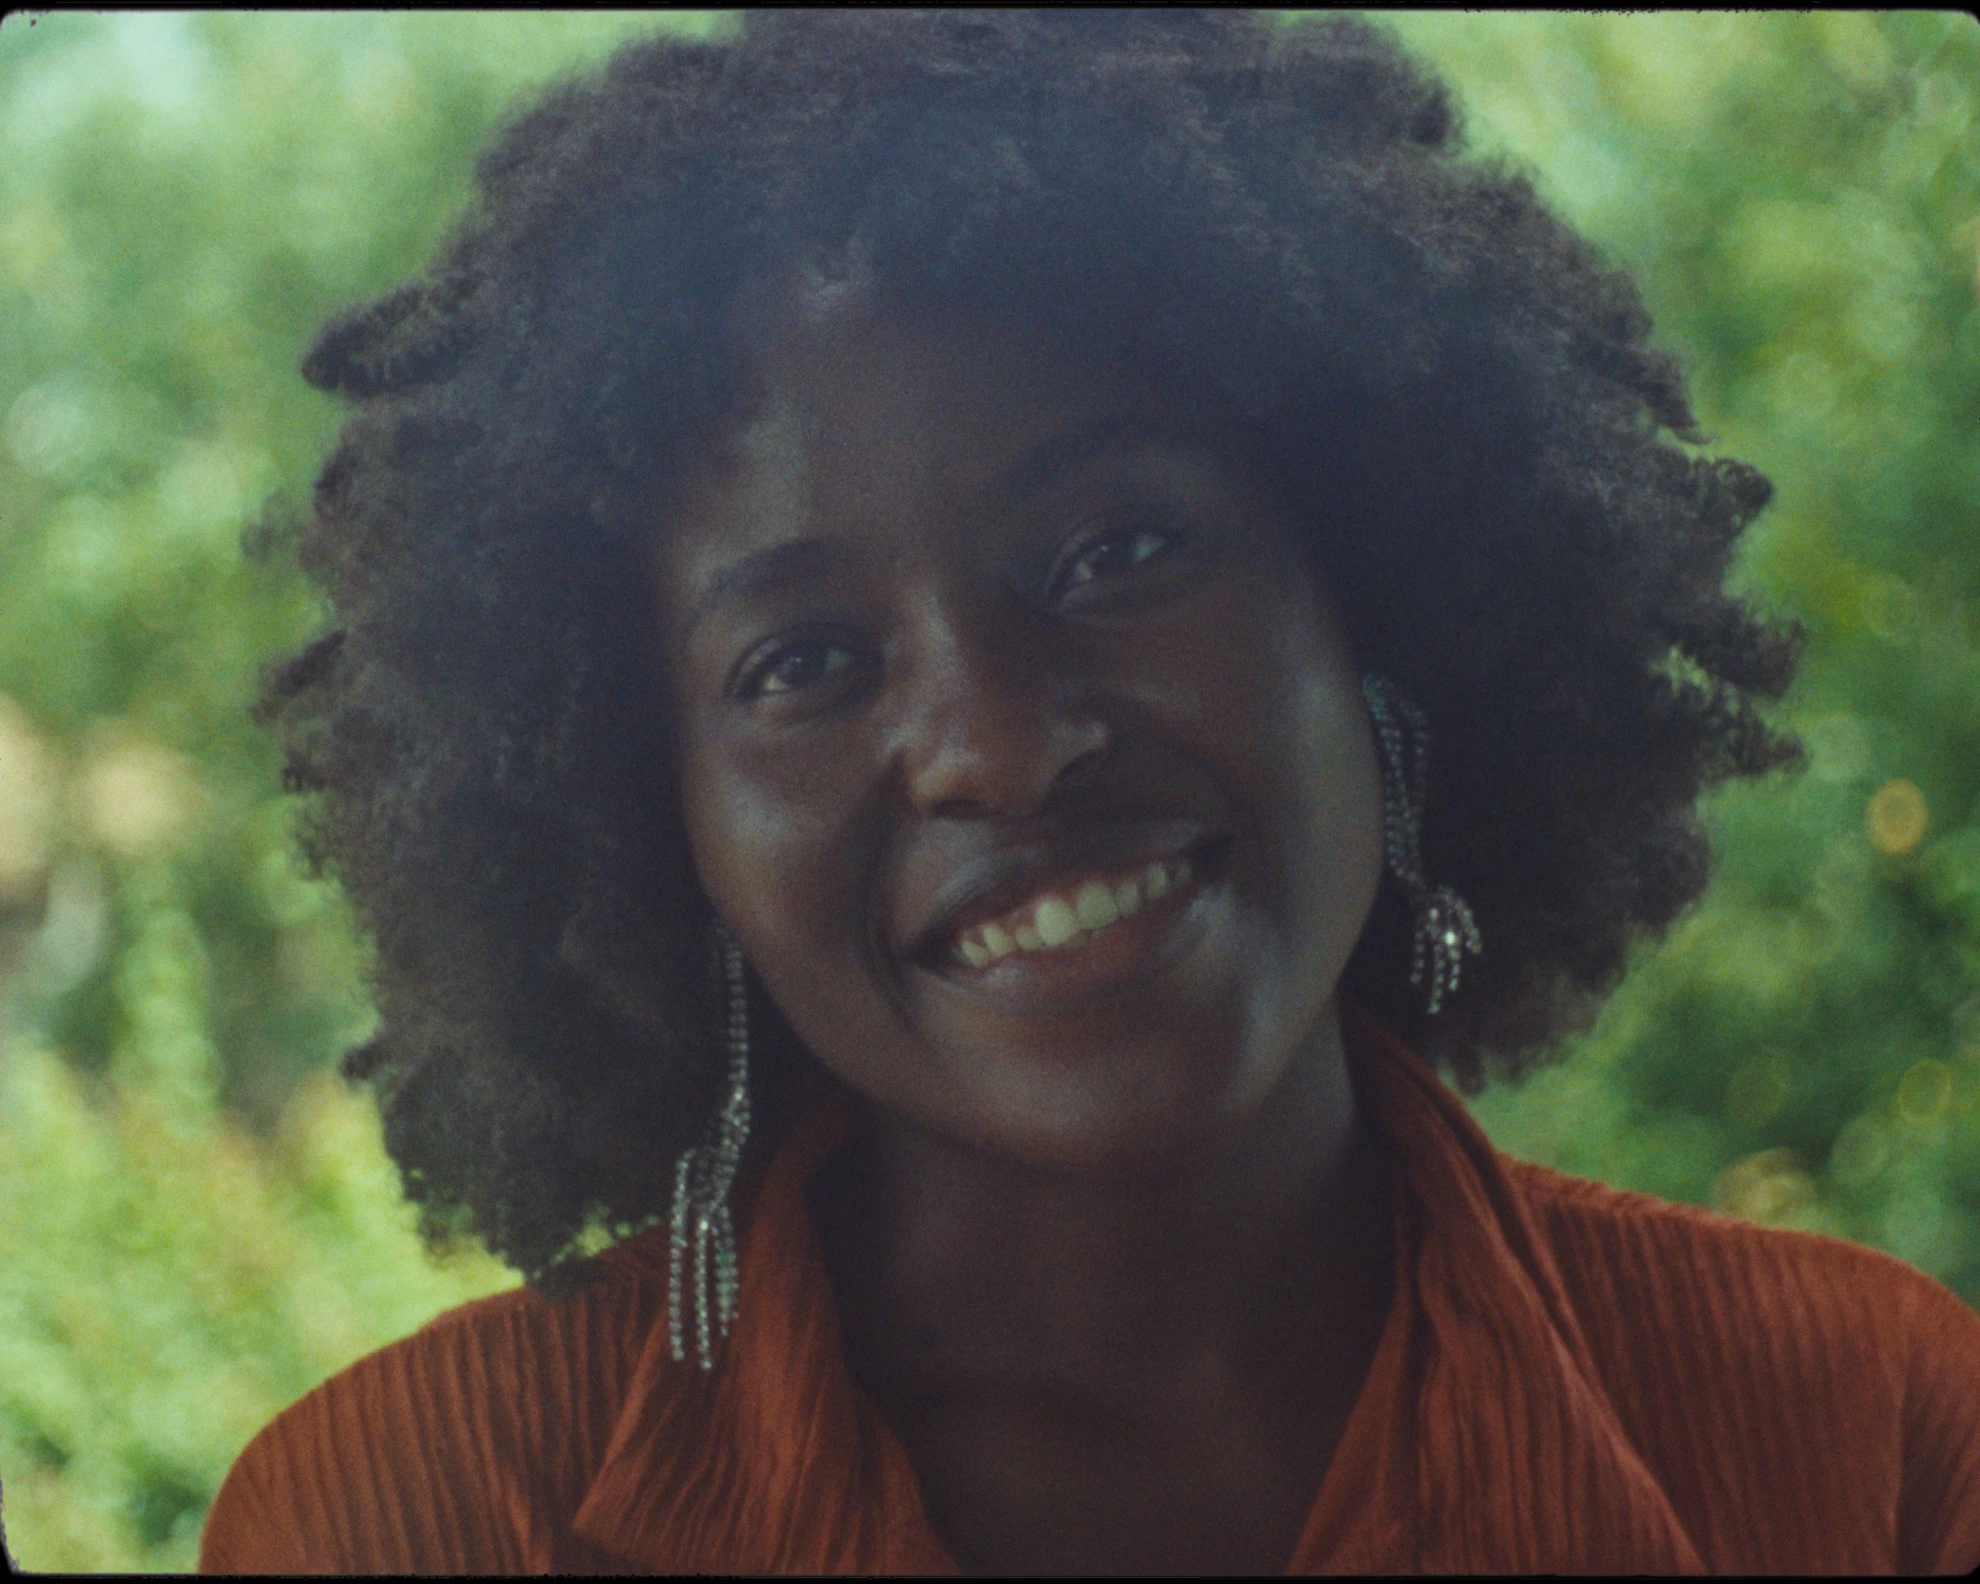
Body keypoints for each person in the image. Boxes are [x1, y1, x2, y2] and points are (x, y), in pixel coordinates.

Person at [198, 11, 1980, 1575]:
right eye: (802, 662)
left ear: (1375, 597)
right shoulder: (410, 1524)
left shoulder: (1862, 1438)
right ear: (654, 827)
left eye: (1117, 551)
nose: (994, 744)